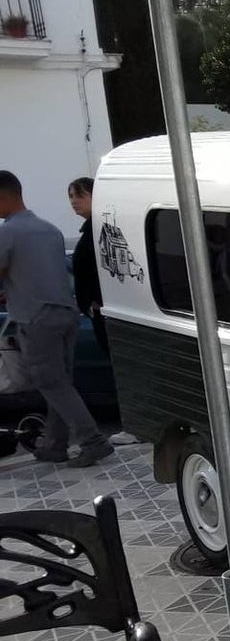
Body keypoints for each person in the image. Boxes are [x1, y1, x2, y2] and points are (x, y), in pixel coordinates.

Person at [0, 170, 112, 466]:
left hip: (37, 319)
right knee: (60, 383)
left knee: (51, 384)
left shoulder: (8, 232)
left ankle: (93, 441)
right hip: (66, 314)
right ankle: (55, 445)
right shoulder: (49, 230)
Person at [67, 176, 107, 357]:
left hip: (103, 309)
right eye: (71, 196)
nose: (74, 201)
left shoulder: (99, 229)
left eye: (80, 195)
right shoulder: (91, 229)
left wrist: (95, 300)